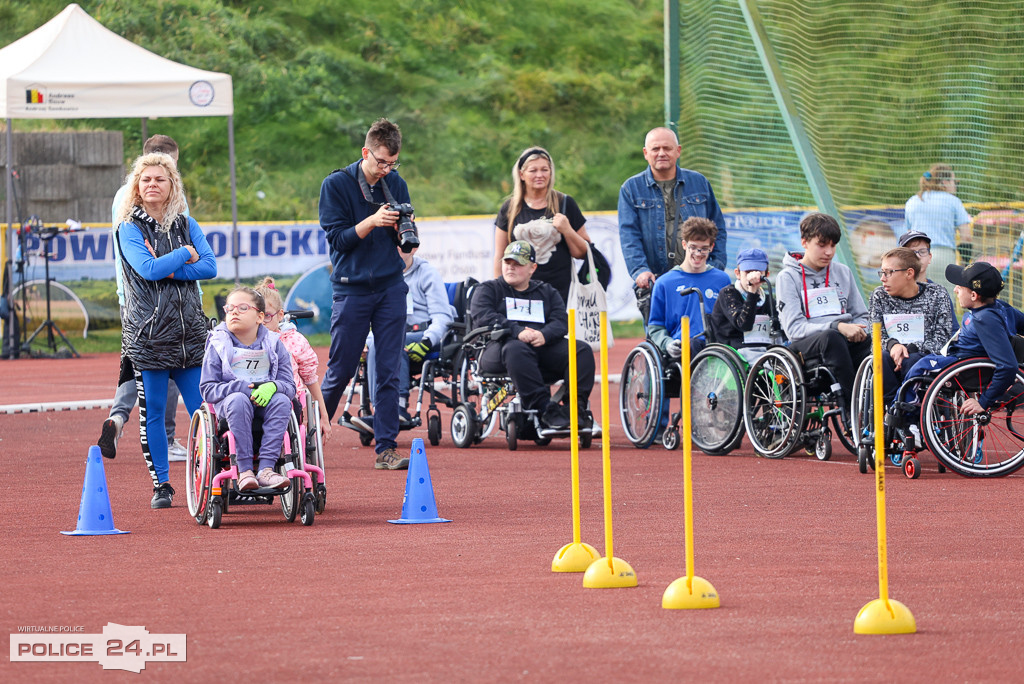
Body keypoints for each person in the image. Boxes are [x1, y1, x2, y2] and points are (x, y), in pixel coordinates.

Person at [114, 152, 217, 508]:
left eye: (160, 179)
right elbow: (147, 270)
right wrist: (184, 254)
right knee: (154, 413)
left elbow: (210, 267)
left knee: (205, 409)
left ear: (172, 185)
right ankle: (162, 485)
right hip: (149, 336)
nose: (152, 185)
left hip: (190, 334)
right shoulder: (128, 228)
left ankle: (212, 472)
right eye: (145, 180)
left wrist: (172, 266)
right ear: (137, 187)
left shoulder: (187, 223)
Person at [317, 118, 411, 470]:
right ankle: (310, 440)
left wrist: (407, 238)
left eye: (393, 163)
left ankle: (386, 448)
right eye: (381, 162)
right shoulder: (336, 185)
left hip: (390, 287)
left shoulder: (395, 183)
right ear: (365, 152)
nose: (387, 170)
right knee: (339, 371)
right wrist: (372, 221)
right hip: (352, 288)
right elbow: (338, 239)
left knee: (387, 371)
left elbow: (406, 232)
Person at [97, 135, 189, 462]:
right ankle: (166, 437)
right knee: (174, 364)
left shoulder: (124, 195)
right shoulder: (170, 200)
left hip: (130, 297)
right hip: (165, 298)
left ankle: (118, 417)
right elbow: (182, 259)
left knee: (136, 363)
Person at [471, 241, 595, 431]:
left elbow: (561, 321)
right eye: (508, 262)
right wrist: (517, 331)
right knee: (516, 348)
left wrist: (544, 334)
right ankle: (545, 410)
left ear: (532, 268)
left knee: (581, 350)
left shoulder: (546, 291)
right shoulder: (488, 290)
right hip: (499, 349)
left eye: (518, 263)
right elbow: (484, 316)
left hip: (541, 349)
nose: (511, 267)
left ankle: (574, 409)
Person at [618, 127, 727, 320]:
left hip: (699, 275)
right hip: (657, 280)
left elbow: (718, 228)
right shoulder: (630, 189)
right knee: (661, 338)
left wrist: (715, 266)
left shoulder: (699, 182)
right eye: (655, 149)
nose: (661, 153)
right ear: (646, 153)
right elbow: (629, 237)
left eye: (667, 148)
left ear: (678, 151)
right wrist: (640, 271)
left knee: (707, 335)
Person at [200, 287, 296, 491]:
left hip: (265, 404)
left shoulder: (274, 344)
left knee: (281, 401)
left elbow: (289, 386)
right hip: (231, 406)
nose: (234, 312)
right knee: (238, 400)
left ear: (260, 317)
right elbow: (208, 389)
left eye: (242, 308)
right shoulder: (217, 344)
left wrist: (273, 385)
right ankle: (244, 471)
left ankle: (266, 470)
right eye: (230, 308)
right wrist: (241, 388)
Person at [775, 212, 870, 411]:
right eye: (822, 244)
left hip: (844, 340)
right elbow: (794, 329)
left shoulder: (843, 271)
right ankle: (855, 409)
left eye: (833, 245)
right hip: (806, 346)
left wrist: (862, 331)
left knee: (875, 344)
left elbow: (861, 315)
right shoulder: (788, 277)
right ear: (805, 242)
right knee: (831, 337)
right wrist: (838, 326)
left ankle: (885, 411)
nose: (828, 252)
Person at [366, 246, 455, 428]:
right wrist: (365, 342)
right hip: (391, 334)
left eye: (402, 246)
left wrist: (428, 340)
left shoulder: (427, 273)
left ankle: (397, 408)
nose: (396, 251)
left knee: (388, 342)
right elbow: (373, 319)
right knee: (376, 342)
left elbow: (442, 316)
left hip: (423, 333)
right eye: (392, 246)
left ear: (413, 248)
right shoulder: (380, 275)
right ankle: (380, 411)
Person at [492, 146, 593, 305]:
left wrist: (567, 230)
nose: (539, 175)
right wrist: (500, 292)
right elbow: (500, 256)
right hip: (520, 294)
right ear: (521, 174)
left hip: (561, 293)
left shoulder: (565, 203)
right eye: (533, 170)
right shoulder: (509, 208)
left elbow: (583, 252)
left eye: (544, 169)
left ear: (551, 172)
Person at [867, 247, 953, 401]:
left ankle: (911, 412)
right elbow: (875, 337)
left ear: (909, 273)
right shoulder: (879, 296)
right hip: (889, 354)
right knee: (881, 358)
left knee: (914, 361)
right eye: (882, 272)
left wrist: (908, 348)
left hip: (924, 357)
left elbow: (942, 339)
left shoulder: (937, 294)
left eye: (889, 272)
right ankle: (891, 411)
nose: (883, 278)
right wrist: (893, 345)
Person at [254, 277, 331, 443]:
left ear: (280, 315)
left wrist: (323, 417)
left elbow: (310, 379)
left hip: (287, 403)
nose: (261, 322)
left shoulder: (294, 341)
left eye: (267, 316)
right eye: (256, 315)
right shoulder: (244, 341)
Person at [647, 217, 730, 360]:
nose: (698, 253)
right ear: (684, 245)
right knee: (693, 345)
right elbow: (655, 327)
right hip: (683, 349)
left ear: (711, 247)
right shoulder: (664, 283)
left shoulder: (722, 280)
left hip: (717, 348)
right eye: (693, 247)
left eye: (704, 248)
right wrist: (667, 343)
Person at [943, 262, 1018, 416]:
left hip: (965, 371)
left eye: (960, 286)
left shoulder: (984, 318)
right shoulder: (1000, 307)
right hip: (965, 364)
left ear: (974, 295)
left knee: (916, 367)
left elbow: (1008, 366)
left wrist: (984, 401)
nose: (955, 289)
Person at [904, 164, 971, 298]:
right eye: (953, 181)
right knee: (944, 302)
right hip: (943, 256)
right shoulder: (953, 202)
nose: (955, 186)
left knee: (917, 301)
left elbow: (909, 235)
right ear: (945, 182)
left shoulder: (912, 201)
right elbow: (966, 237)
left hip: (915, 256)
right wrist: (965, 261)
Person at [709, 247, 786, 363]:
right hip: (736, 351)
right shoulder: (728, 294)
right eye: (748, 272)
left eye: (757, 272)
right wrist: (752, 292)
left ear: (766, 275)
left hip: (763, 350)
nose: (752, 277)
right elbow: (743, 324)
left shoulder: (768, 299)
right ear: (738, 274)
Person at [897, 230, 958, 334]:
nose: (917, 256)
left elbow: (953, 331)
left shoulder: (939, 293)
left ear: (929, 257)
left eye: (922, 251)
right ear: (900, 259)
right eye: (911, 252)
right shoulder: (891, 291)